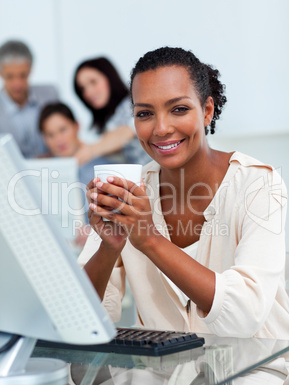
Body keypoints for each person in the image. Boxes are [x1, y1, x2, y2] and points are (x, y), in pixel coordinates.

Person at [79, 47, 289, 340]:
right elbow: (79, 316)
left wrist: (150, 239)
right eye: (145, 114)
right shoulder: (129, 191)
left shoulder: (258, 185)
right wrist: (108, 248)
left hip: (253, 372)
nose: (161, 128)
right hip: (161, 378)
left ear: (206, 111)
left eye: (179, 109)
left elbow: (244, 314)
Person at [73, 57, 151, 166]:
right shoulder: (110, 120)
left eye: (93, 82)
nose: (88, 92)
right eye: (82, 89)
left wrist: (91, 150)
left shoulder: (133, 100)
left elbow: (125, 131)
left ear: (109, 77)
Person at [0, 40, 59, 158]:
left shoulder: (50, 95)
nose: (17, 84)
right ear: (1, 72)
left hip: (53, 170)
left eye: (23, 75)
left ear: (30, 69)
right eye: (10, 76)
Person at [38, 102, 112, 188]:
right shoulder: (44, 173)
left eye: (63, 130)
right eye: (50, 135)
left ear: (76, 126)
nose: (58, 140)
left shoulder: (104, 168)